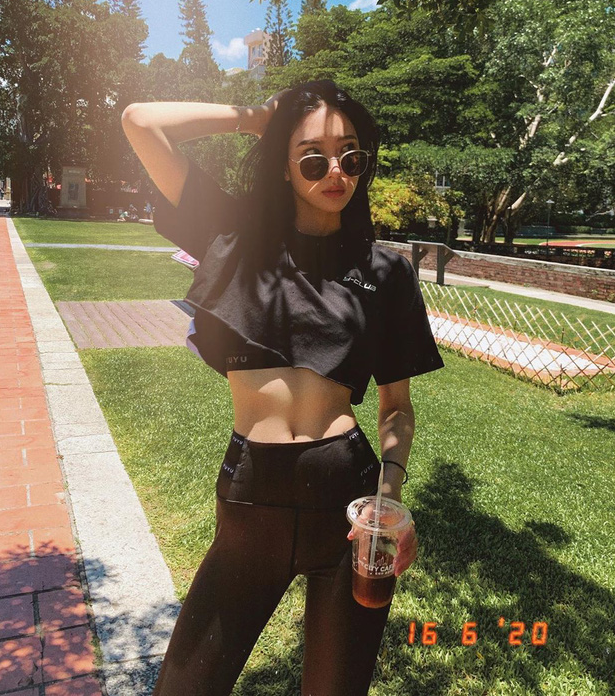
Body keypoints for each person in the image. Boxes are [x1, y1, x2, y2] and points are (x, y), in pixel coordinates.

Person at [121, 80, 445, 696]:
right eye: (313, 158)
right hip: (252, 497)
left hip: (346, 499)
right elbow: (141, 121)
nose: (336, 172)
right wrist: (255, 118)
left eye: (350, 156)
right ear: (284, 166)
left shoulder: (386, 272)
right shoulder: (235, 238)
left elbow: (396, 408)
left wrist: (388, 498)